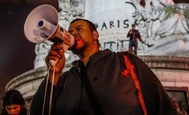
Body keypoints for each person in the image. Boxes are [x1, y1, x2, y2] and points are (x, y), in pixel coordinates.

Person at [29, 18, 179, 114]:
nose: (73, 33)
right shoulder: (65, 79)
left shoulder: (127, 61)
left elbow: (162, 106)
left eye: (79, 29)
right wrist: (53, 75)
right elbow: (38, 112)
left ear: (95, 35)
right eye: (70, 31)